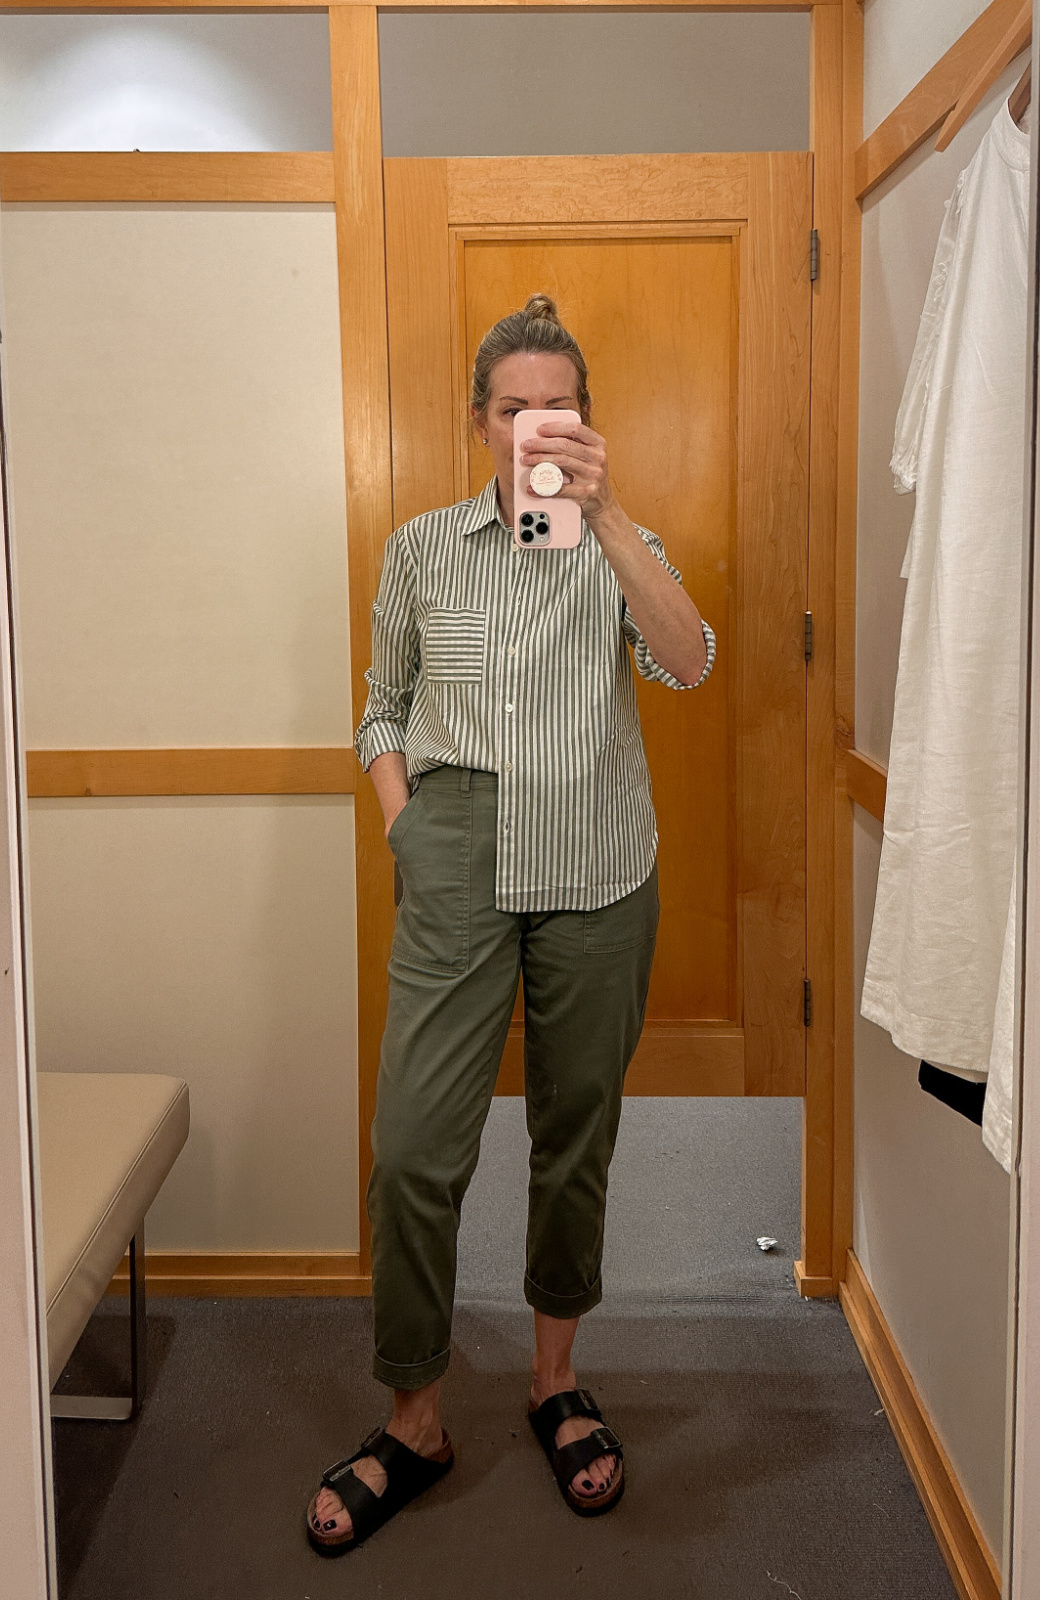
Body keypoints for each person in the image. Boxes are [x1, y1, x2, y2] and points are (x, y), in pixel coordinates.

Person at [306, 294, 715, 1554]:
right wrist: (407, 832)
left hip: (599, 867)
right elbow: (380, 710)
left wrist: (608, 518)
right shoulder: (424, 548)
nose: (539, 422)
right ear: (481, 422)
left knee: (572, 1134)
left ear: (582, 418)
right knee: (412, 1152)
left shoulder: (616, 541)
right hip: (458, 864)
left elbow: (691, 659)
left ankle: (553, 1380)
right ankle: (415, 1415)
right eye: (516, 405)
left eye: (560, 404)